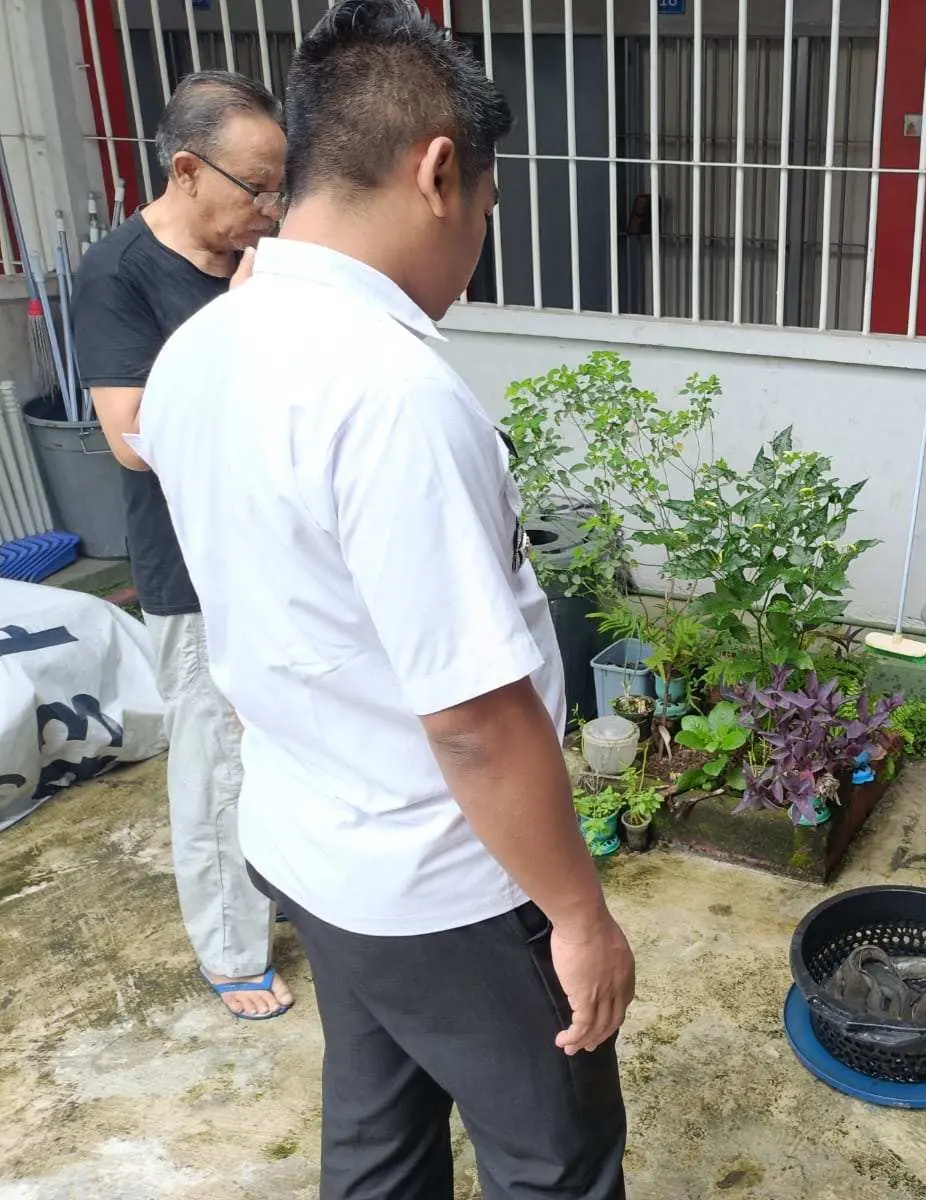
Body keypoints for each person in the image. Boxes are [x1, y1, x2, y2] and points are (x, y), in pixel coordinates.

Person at [134, 2, 633, 1195]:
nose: (476, 247)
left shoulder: (200, 352)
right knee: (554, 1159)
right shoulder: (392, 394)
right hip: (446, 877)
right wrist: (578, 916)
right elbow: (473, 719)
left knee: (377, 1135)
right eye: (486, 213)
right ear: (438, 172)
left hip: (310, 843)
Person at [73, 71, 292, 1020]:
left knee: (288, 742)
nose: (271, 210)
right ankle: (233, 949)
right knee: (215, 764)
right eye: (257, 189)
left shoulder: (264, 256)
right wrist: (240, 319)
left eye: (281, 187)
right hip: (194, 568)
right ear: (188, 170)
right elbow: (132, 439)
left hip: (281, 553)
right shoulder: (118, 274)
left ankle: (293, 889)